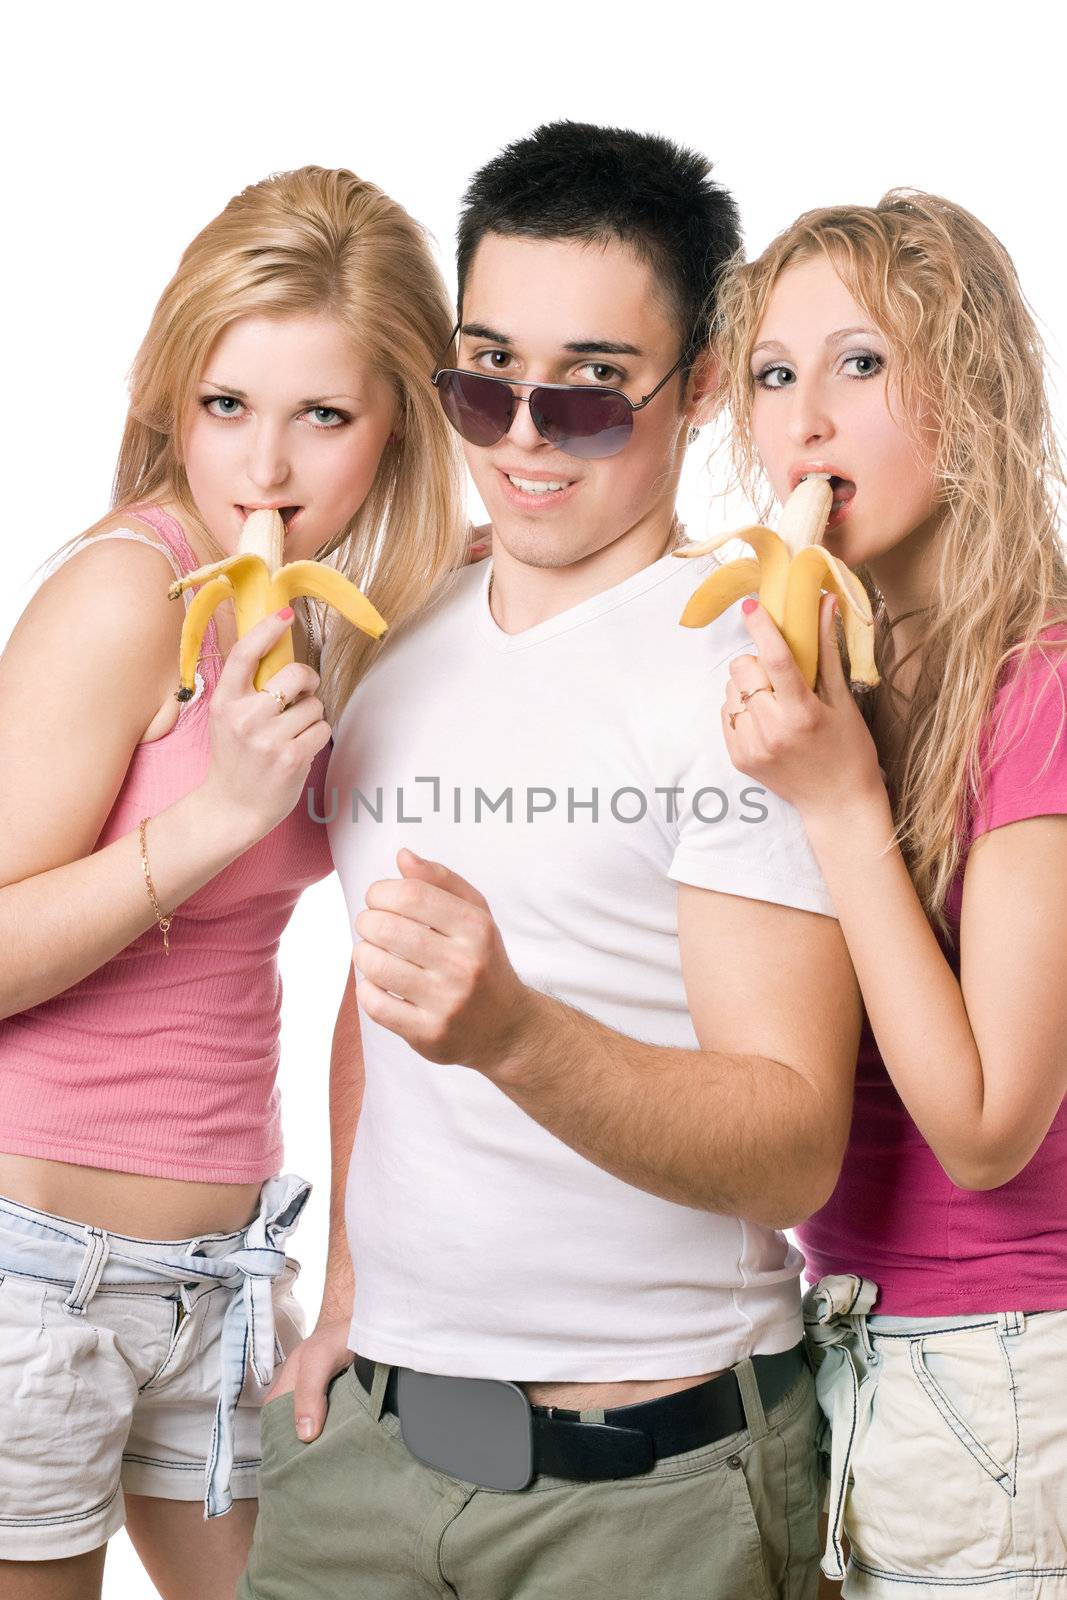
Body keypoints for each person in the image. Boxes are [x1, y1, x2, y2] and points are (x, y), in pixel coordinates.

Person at [241, 122, 863, 1600]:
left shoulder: (749, 676)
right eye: (483, 375)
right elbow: (384, 993)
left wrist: (514, 1032)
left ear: (697, 388)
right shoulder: (396, 636)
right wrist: (344, 1286)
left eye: (588, 393)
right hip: (363, 1453)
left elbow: (792, 1140)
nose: (522, 434)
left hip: (646, 1490)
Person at [0, 164, 470, 1600]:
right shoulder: (128, 594)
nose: (264, 468)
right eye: (227, 408)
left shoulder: (341, 616)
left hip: (225, 1278)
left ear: (398, 425)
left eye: (323, 416)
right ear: (170, 400)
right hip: (36, 1281)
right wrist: (217, 818)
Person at [710, 191, 1067, 1595]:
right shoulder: (831, 680)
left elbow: (986, 1128)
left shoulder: (1037, 686)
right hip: (842, 1347)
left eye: (861, 364)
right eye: (774, 374)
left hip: (1005, 1370)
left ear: (971, 400)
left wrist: (842, 802)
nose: (804, 420)